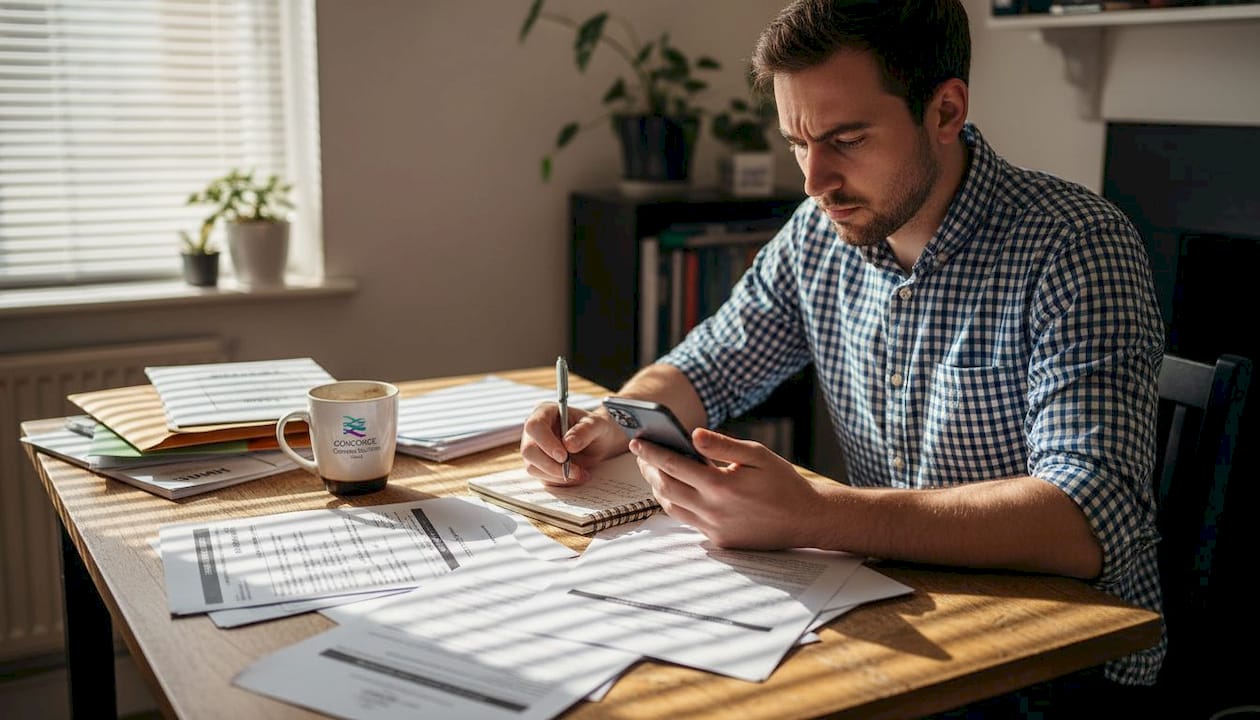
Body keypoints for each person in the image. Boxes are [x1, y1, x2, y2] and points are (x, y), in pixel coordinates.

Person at [521, 0, 1164, 712]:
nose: (812, 179)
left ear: (946, 112)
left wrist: (819, 515)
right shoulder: (819, 233)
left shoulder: (1076, 247)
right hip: (897, 613)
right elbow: (707, 364)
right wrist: (611, 419)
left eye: (847, 139)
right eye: (798, 142)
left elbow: (1087, 521)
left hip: (1061, 668)